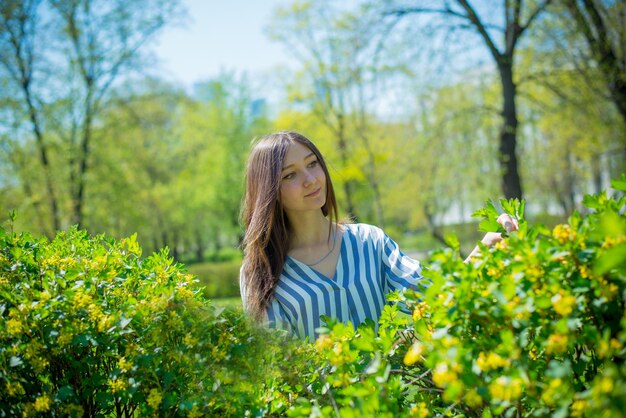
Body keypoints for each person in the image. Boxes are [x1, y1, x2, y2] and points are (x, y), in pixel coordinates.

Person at [239, 131, 517, 341]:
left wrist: (484, 252)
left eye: (312, 164)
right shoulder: (260, 271)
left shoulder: (370, 242)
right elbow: (276, 369)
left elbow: (433, 298)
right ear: (269, 190)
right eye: (290, 175)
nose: (310, 179)